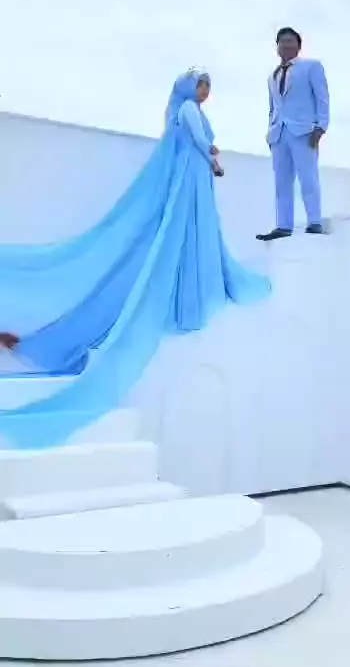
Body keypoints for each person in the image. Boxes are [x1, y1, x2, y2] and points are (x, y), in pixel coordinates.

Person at [0, 69, 270, 448]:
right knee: (185, 231)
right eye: (202, 85)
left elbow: (199, 142)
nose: (205, 92)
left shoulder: (187, 110)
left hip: (193, 176)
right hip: (192, 176)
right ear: (191, 87)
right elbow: (198, 140)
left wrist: (209, 157)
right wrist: (214, 163)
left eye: (207, 87)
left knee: (192, 231)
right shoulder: (188, 109)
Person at [256, 27, 330, 241]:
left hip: (304, 131)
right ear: (277, 47)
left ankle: (314, 222)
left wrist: (321, 126)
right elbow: (273, 107)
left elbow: (322, 98)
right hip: (279, 134)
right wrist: (270, 132)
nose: (286, 45)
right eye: (282, 42)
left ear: (298, 45)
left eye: (290, 41)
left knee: (308, 177)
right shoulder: (272, 76)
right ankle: (283, 225)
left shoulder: (311, 67)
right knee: (282, 182)